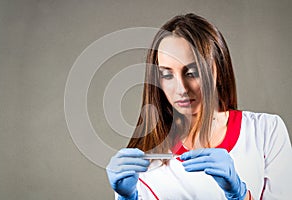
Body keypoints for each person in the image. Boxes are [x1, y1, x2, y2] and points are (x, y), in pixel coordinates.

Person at [106, 13, 292, 200]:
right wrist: (126, 197)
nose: (182, 89)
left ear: (218, 68)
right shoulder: (146, 160)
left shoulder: (266, 131)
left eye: (192, 72)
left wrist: (240, 195)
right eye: (167, 75)